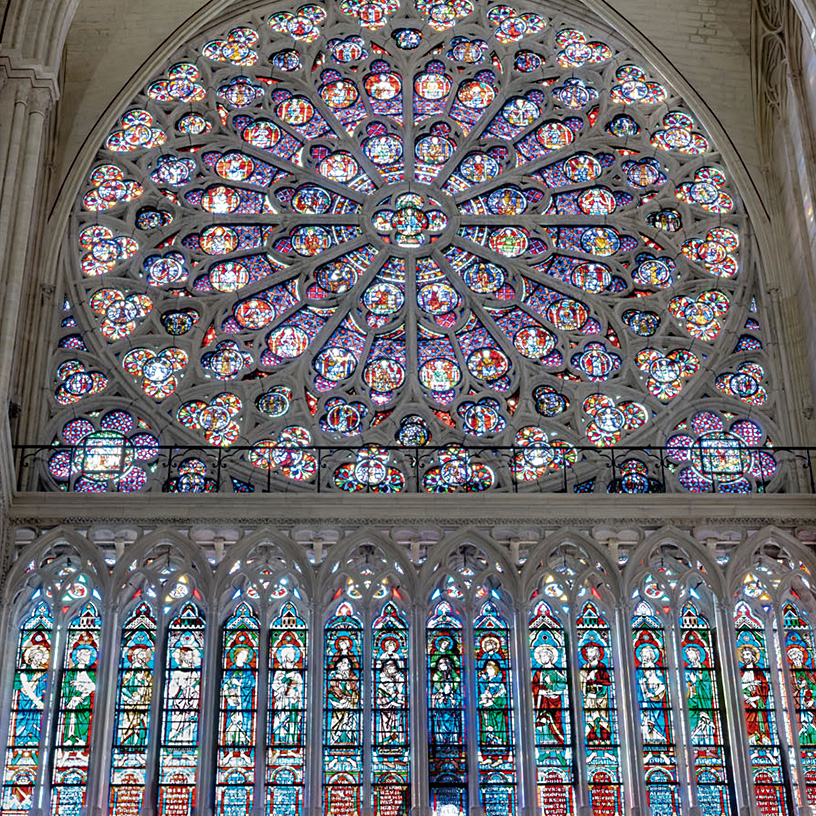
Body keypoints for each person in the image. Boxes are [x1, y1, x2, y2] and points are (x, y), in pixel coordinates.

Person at [62, 636, 98, 746]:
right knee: (71, 718)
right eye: (85, 655)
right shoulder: (72, 671)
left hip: (84, 701)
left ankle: (80, 740)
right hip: (73, 699)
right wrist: (72, 696)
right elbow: (66, 685)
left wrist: (81, 690)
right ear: (79, 657)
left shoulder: (91, 672)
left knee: (82, 720)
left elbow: (94, 686)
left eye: (89, 656)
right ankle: (69, 737)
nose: (88, 657)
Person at [119, 642, 153, 747]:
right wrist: (129, 698)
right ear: (136, 655)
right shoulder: (129, 671)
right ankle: (125, 751)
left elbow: (150, 686)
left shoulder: (147, 671)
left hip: (142, 703)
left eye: (145, 655)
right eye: (142, 654)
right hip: (130, 703)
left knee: (141, 726)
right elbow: (123, 686)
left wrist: (143, 687)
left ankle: (139, 750)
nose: (144, 657)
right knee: (128, 726)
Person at [222, 642, 255, 746]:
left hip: (244, 699)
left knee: (243, 719)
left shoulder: (248, 669)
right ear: (237, 655)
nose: (244, 657)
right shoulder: (231, 669)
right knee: (232, 719)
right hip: (233, 699)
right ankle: (229, 743)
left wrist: (242, 683)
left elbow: (252, 682)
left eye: (245, 656)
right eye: (242, 655)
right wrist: (232, 682)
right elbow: (224, 683)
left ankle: (243, 744)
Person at [532, 643, 566, 744]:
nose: (542, 658)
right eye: (541, 656)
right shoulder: (539, 672)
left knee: (555, 722)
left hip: (554, 701)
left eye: (544, 656)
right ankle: (545, 748)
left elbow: (563, 685)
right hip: (542, 701)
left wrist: (551, 684)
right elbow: (533, 686)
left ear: (550, 657)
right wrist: (539, 691)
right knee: (544, 722)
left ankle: (558, 748)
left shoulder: (556, 671)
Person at [271, 641, 304, 746]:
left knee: (293, 721)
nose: (293, 656)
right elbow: (274, 685)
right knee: (281, 720)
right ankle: (278, 744)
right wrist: (286, 677)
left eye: (294, 654)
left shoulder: (296, 670)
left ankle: (292, 744)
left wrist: (296, 690)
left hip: (293, 700)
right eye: (291, 654)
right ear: (285, 655)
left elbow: (301, 686)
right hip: (282, 701)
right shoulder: (280, 670)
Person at [739, 643, 772, 745]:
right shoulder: (740, 671)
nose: (745, 657)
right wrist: (751, 684)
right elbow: (737, 687)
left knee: (760, 723)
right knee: (748, 725)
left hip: (757, 702)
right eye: (744, 655)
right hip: (745, 703)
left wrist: (756, 698)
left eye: (747, 654)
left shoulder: (758, 671)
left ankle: (763, 745)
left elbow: (765, 687)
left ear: (753, 656)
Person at [581, 642, 612, 745]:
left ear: (596, 654)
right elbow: (581, 683)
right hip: (589, 698)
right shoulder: (585, 667)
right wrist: (588, 678)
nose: (588, 655)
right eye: (587, 653)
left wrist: (597, 681)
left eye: (590, 653)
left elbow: (607, 682)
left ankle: (605, 741)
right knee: (590, 719)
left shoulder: (602, 666)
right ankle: (591, 741)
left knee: (602, 719)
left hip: (601, 698)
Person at [478, 659, 508, 745]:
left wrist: (493, 701)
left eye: (491, 669)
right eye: (487, 669)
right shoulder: (484, 682)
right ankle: (488, 740)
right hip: (486, 710)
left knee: (496, 728)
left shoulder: (499, 683)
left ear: (496, 670)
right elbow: (480, 696)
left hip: (496, 711)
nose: (488, 671)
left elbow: (503, 700)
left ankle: (498, 742)